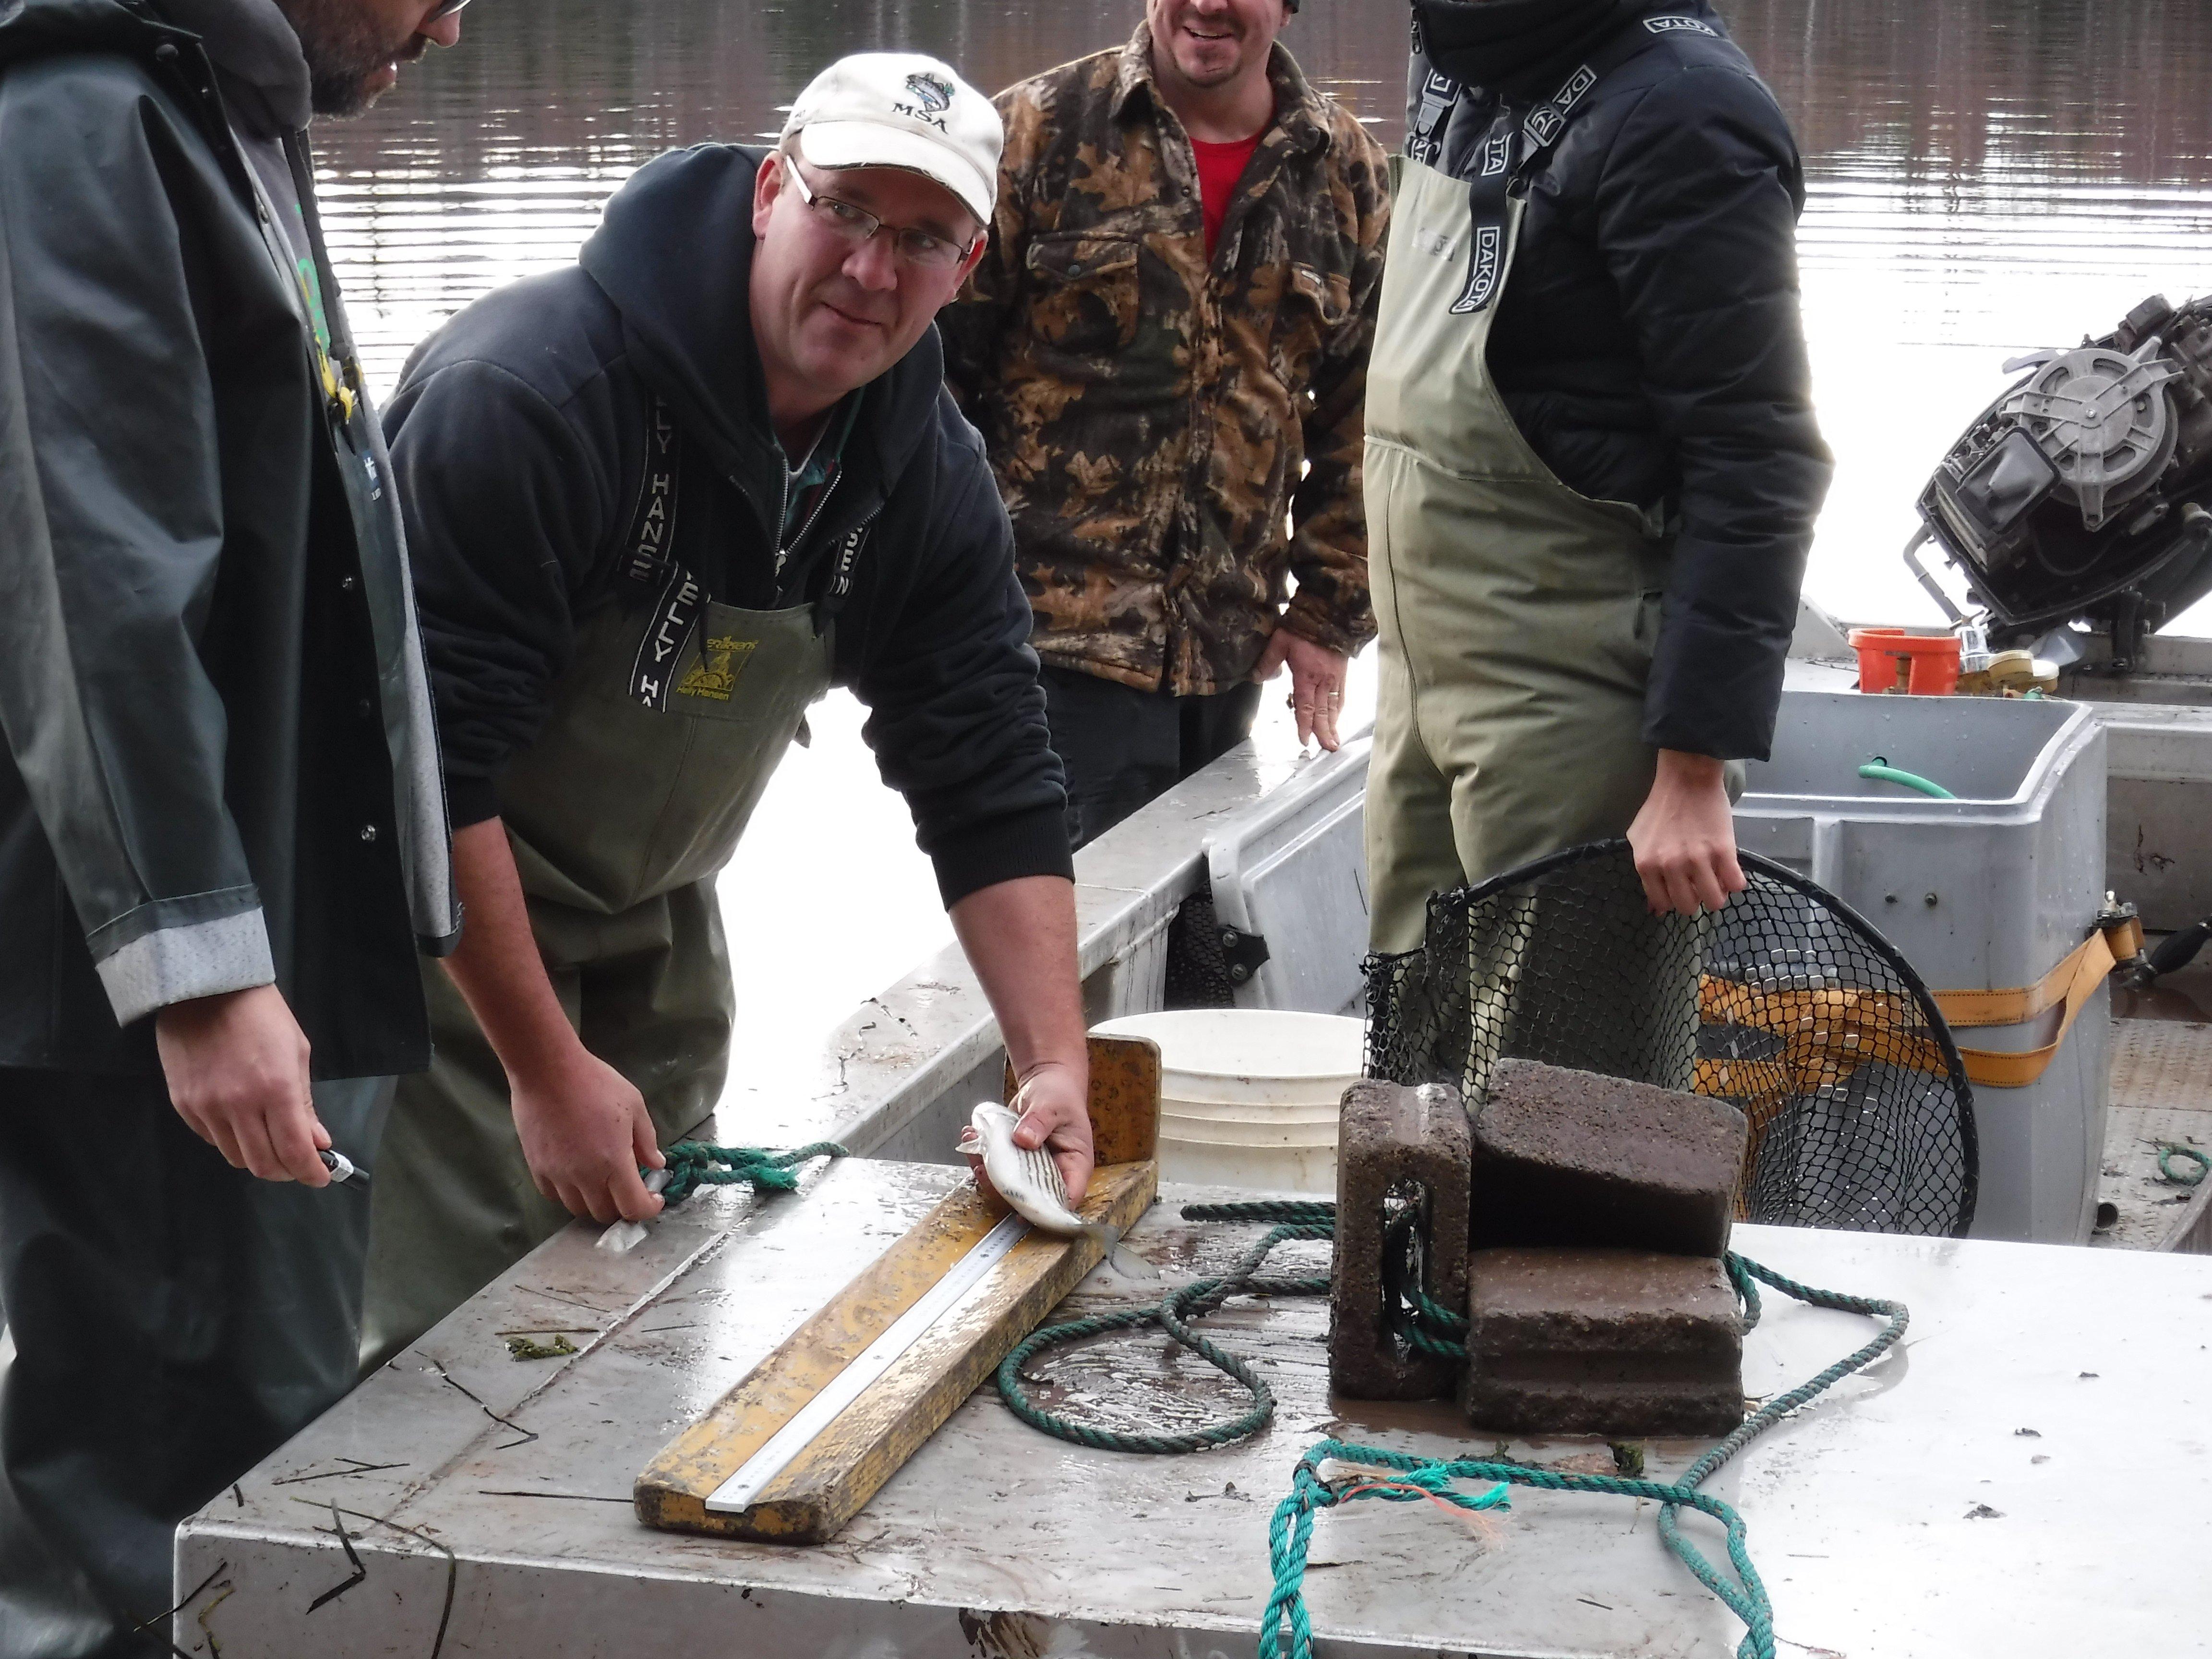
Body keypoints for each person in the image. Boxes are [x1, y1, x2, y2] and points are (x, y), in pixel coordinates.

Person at [362, 53, 1094, 1363]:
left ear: (969, 266)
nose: (873, 272)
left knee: (639, 1335)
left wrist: (1054, 1063)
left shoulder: (925, 472)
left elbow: (987, 762)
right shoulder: (530, 401)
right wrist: (542, 1070)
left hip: (656, 931)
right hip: (429, 936)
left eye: (924, 238)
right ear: (770, 191)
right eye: (847, 210)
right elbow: (427, 770)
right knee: (445, 1362)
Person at [0, 0, 468, 1650]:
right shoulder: (78, 116)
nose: (454, 15)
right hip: (171, 983)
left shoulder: (226, 110)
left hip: (264, 930)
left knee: (262, 1421)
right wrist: (199, 973)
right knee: (147, 1481)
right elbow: (91, 565)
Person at [1361, 0, 1833, 964]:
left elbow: (1757, 457)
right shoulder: (1464, 60)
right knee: (1411, 1066)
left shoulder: (1687, 113)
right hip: (1418, 688)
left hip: (1572, 714)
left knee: (1563, 1093)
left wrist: (1696, 764)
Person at [940, 0, 1388, 850]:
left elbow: (1370, 413)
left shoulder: (1345, 172)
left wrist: (1328, 616)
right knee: (1063, 952)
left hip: (1236, 655)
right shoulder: (1033, 134)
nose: (1210, 3)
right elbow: (931, 381)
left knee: (1199, 947)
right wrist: (940, 599)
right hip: (1041, 654)